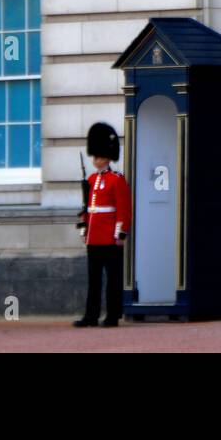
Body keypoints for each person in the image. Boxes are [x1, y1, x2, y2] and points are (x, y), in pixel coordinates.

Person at [74, 122, 131, 328]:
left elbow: (123, 209)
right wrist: (84, 230)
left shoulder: (117, 180)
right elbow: (85, 208)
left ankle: (113, 315)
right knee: (94, 280)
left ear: (107, 157)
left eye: (98, 156)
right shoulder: (90, 179)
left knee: (113, 279)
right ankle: (91, 315)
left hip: (109, 237)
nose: (96, 160)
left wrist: (120, 234)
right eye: (95, 156)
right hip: (94, 237)